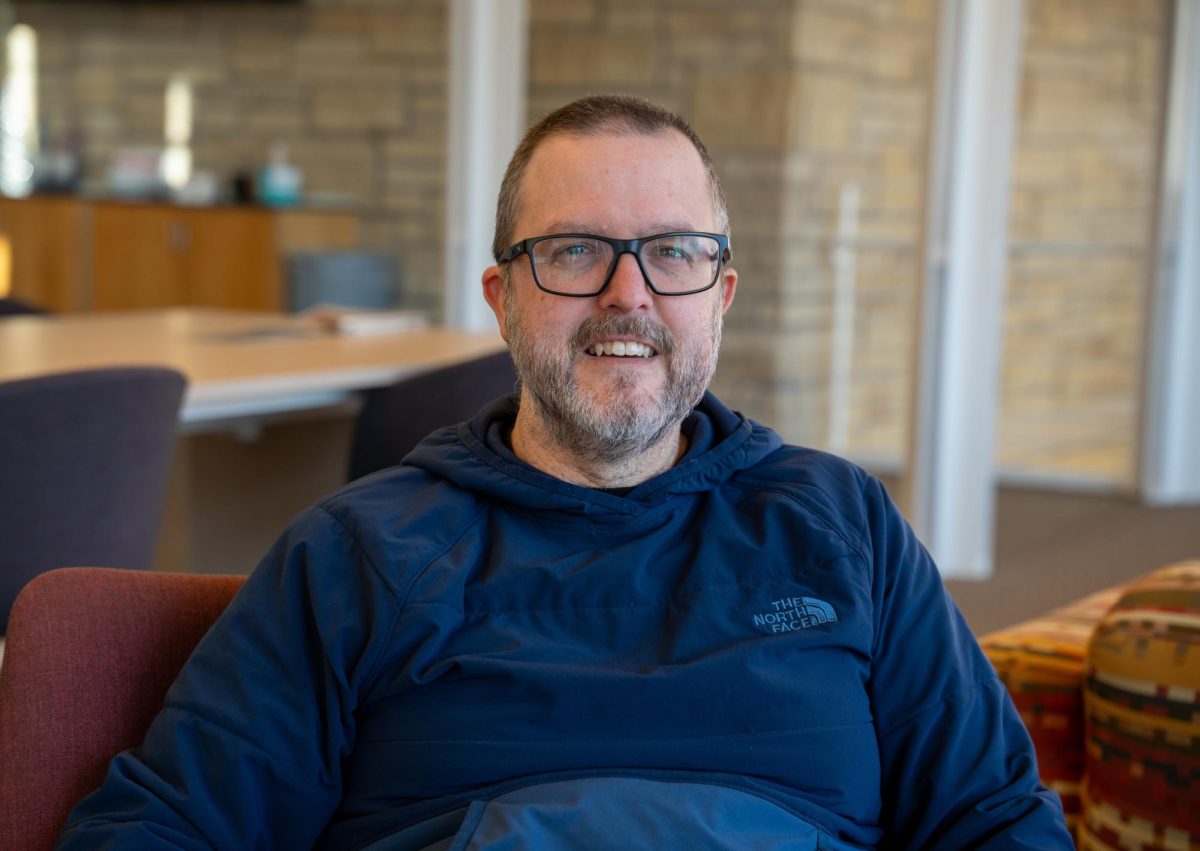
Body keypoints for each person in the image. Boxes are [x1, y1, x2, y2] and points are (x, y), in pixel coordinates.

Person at [59, 95, 1073, 850]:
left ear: (720, 292)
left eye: (672, 252)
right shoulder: (358, 551)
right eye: (576, 251)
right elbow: (163, 827)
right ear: (503, 298)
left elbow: (994, 819)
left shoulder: (839, 521)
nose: (627, 294)